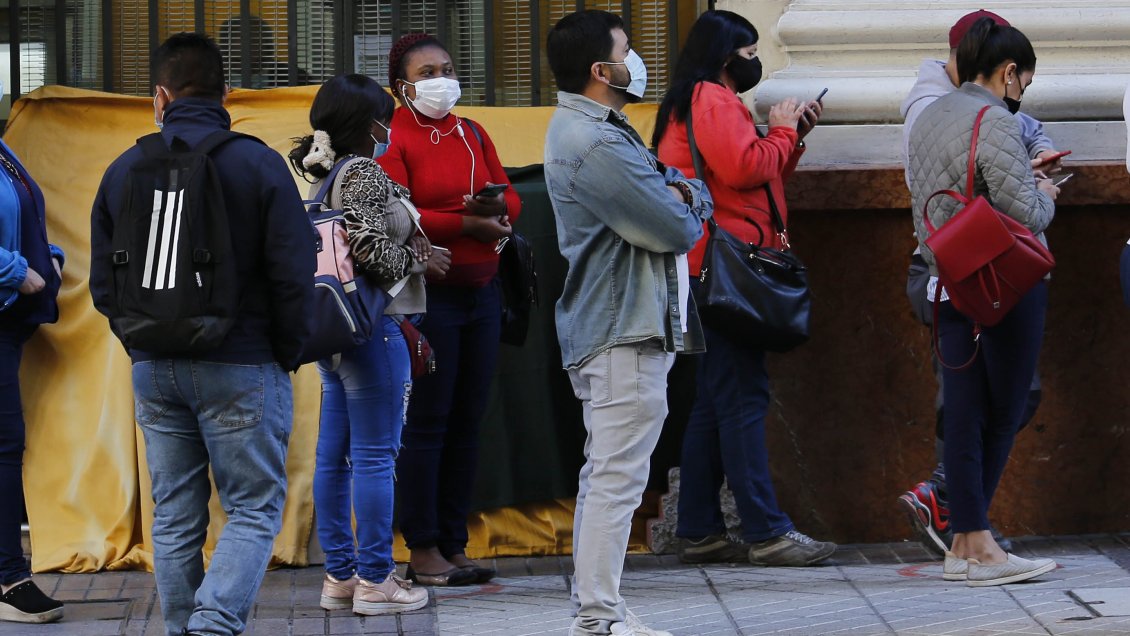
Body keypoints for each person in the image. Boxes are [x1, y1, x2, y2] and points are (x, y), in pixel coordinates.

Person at [89, 33, 314, 634]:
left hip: (154, 367)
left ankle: (183, 627)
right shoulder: (259, 162)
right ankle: (213, 625)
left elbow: (102, 284)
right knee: (252, 507)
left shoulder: (123, 169)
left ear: (159, 97)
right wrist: (285, 352)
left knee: (175, 516)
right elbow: (294, 272)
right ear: (227, 96)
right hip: (243, 361)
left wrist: (142, 343)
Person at [545, 10, 713, 635]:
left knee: (607, 477)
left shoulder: (601, 131)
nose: (636, 58)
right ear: (600, 69)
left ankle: (599, 612)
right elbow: (675, 224)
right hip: (620, 330)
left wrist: (678, 193)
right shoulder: (593, 141)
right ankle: (598, 618)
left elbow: (674, 194)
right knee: (616, 480)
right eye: (626, 49)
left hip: (623, 326)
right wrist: (686, 198)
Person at [654, 9, 835, 568]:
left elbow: (753, 176)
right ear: (725, 54)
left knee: (715, 400)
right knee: (743, 398)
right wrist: (780, 129)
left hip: (711, 266)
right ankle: (765, 531)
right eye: (750, 53)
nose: (756, 62)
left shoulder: (705, 99)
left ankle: (700, 529)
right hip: (725, 270)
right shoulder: (712, 98)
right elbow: (741, 167)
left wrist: (791, 138)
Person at [897, 9, 1060, 556]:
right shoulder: (994, 120)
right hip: (1002, 280)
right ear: (1008, 71)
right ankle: (976, 537)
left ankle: (969, 541)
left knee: (965, 410)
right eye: (1024, 82)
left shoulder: (929, 114)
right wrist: (1048, 194)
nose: (1022, 93)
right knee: (1003, 408)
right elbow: (1026, 214)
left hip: (947, 278)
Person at [289, 74, 436, 615]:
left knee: (336, 458)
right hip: (376, 329)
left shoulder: (324, 177)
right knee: (376, 456)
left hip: (336, 333)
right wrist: (422, 260)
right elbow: (372, 247)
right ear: (368, 123)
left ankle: (341, 577)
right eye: (385, 115)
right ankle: (377, 581)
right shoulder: (366, 174)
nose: (390, 124)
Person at [378, 33, 521, 587]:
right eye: (427, 71)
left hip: (481, 292)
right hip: (429, 298)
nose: (441, 79)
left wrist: (493, 208)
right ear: (402, 87)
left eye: (447, 67)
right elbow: (399, 210)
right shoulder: (393, 137)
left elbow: (512, 196)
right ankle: (423, 547)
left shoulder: (472, 131)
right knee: (429, 422)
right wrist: (466, 221)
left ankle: (454, 541)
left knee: (468, 420)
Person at [0, 79, 64, 625]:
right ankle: (6, 577)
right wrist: (18, 272)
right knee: (3, 445)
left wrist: (51, 257)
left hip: (7, 318)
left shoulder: (3, 149)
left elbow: (24, 216)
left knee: (4, 444)